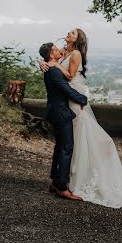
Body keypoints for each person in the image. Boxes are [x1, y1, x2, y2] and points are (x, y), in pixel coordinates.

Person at [40, 29, 122, 211]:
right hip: (65, 104)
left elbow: (68, 75)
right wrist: (45, 62)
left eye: (72, 33)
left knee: (75, 141)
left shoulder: (74, 53)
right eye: (68, 32)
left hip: (72, 101)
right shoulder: (63, 52)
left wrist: (53, 64)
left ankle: (69, 179)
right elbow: (51, 60)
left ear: (78, 39)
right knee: (67, 144)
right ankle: (62, 182)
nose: (68, 34)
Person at [39, 42, 88, 201]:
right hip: (60, 113)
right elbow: (66, 90)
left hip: (56, 112)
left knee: (60, 147)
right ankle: (62, 187)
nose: (59, 50)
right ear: (51, 55)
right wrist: (83, 99)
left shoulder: (52, 67)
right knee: (66, 148)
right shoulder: (53, 71)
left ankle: (55, 182)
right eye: (55, 49)